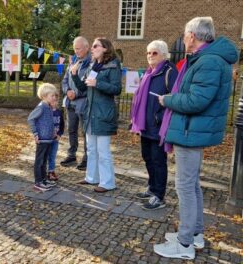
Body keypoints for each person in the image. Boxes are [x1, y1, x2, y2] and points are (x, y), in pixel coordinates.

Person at [154, 17, 238, 260]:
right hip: (192, 130)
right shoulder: (208, 59)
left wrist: (167, 99)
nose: (183, 37)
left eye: (185, 33)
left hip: (191, 131)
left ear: (193, 35)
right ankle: (196, 234)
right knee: (191, 185)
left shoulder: (209, 62)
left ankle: (184, 243)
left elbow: (197, 101)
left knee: (185, 187)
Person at [130, 40, 178, 210]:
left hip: (159, 126)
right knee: (148, 158)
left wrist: (160, 116)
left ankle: (159, 195)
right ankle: (152, 188)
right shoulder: (148, 73)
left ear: (164, 55)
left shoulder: (169, 72)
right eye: (148, 53)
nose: (150, 56)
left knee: (158, 161)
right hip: (145, 126)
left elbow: (175, 98)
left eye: (154, 53)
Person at [71, 38, 122, 193]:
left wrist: (98, 84)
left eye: (95, 46)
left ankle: (108, 182)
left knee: (103, 151)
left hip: (103, 113)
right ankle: (92, 177)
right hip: (90, 113)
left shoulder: (113, 65)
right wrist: (74, 75)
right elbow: (84, 88)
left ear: (105, 48)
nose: (92, 49)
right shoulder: (94, 66)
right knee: (92, 149)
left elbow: (116, 89)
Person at [60, 36, 91, 170]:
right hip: (70, 103)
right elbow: (65, 80)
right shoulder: (72, 61)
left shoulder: (91, 63)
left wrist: (76, 94)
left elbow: (88, 85)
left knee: (85, 132)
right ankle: (71, 154)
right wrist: (67, 91)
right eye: (74, 49)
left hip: (83, 103)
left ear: (86, 47)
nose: (76, 51)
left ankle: (86, 158)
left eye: (78, 48)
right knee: (71, 129)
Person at [28, 83, 58, 192]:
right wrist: (35, 133)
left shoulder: (49, 107)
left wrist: (53, 131)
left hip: (49, 139)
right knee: (39, 161)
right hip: (42, 139)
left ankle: (44, 179)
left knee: (45, 160)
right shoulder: (41, 107)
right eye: (52, 96)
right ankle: (38, 182)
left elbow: (49, 121)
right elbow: (30, 119)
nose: (54, 98)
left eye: (55, 96)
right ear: (44, 96)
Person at [47, 94, 65, 181]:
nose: (54, 102)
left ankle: (51, 171)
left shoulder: (59, 112)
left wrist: (59, 135)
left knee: (53, 156)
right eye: (52, 101)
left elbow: (62, 125)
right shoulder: (46, 112)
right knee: (46, 155)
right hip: (47, 139)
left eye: (56, 101)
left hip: (55, 139)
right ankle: (44, 171)